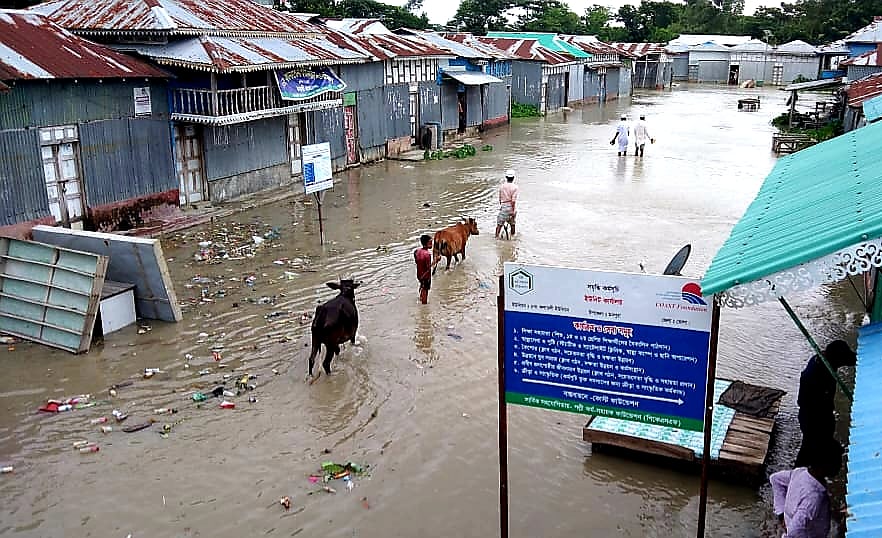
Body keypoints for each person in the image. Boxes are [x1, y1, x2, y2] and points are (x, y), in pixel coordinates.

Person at [795, 339, 856, 467]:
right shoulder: (818, 372)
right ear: (837, 359)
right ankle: (800, 473)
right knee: (810, 450)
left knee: (811, 448)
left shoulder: (823, 360)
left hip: (818, 414)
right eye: (843, 360)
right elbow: (808, 402)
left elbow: (852, 360)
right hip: (813, 418)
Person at [770, 437, 844, 538]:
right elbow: (794, 532)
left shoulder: (800, 473)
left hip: (790, 521)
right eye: (837, 461)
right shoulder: (814, 497)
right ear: (824, 465)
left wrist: (781, 513)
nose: (840, 465)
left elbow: (775, 479)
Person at [495, 169, 519, 239]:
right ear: (513, 177)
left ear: (506, 177)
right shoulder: (515, 187)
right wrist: (513, 211)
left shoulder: (502, 186)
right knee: (512, 225)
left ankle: (496, 238)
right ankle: (512, 238)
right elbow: (513, 201)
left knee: (499, 225)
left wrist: (502, 207)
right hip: (511, 208)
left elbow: (500, 199)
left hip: (504, 207)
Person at [414, 234, 432, 304]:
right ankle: (424, 305)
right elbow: (428, 268)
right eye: (430, 242)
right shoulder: (427, 254)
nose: (432, 244)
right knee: (425, 290)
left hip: (419, 275)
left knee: (422, 286)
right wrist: (436, 261)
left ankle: (421, 298)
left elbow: (416, 261)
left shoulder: (417, 251)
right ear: (426, 243)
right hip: (425, 276)